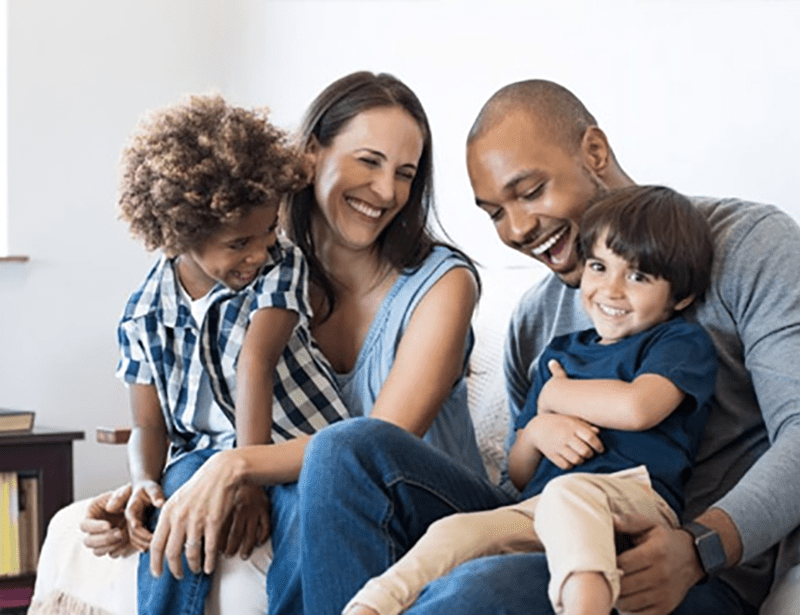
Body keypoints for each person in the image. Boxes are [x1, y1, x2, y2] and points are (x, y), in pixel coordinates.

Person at [297, 79, 800, 615]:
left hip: (678, 565)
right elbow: (522, 476)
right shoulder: (535, 319)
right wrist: (539, 428)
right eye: (494, 212)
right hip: (552, 526)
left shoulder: (746, 244)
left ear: (595, 153)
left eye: (531, 191)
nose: (516, 229)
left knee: (471, 592)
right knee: (344, 450)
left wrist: (700, 548)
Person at [80, 71, 484, 615]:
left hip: (425, 504)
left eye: (406, 174)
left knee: (336, 457)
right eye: (369, 161)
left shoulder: (441, 283)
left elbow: (373, 447)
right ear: (311, 154)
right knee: (195, 483)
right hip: (320, 494)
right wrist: (146, 488)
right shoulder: (255, 268)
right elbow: (199, 410)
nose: (387, 191)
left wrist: (238, 465)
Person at [343, 185, 716, 615]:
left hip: (635, 500)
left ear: (681, 297)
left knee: (568, 495)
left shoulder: (677, 341)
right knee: (455, 531)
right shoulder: (560, 354)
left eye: (637, 277)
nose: (611, 290)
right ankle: (369, 606)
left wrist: (558, 396)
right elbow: (519, 473)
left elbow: (639, 407)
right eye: (598, 266)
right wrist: (539, 428)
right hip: (542, 507)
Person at [113, 93, 350, 614]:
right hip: (202, 454)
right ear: (183, 233)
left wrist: (246, 477)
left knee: (304, 510)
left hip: (295, 445)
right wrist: (142, 483)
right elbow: (148, 427)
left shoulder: (281, 266)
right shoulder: (142, 313)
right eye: (240, 242)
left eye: (269, 231)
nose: (259, 252)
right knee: (173, 502)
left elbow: (255, 362)